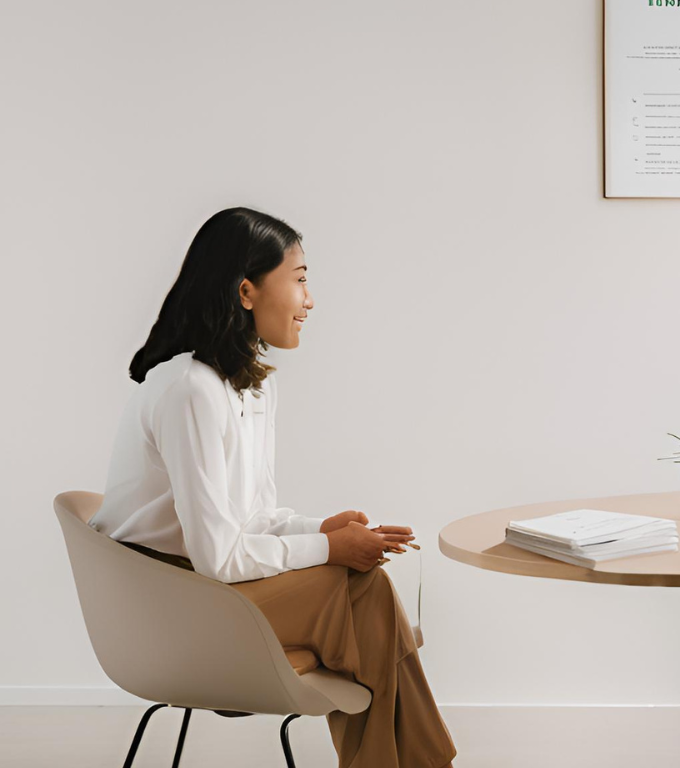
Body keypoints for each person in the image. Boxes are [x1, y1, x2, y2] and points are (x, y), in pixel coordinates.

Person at [90, 208, 457, 768]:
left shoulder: (248, 388)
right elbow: (219, 558)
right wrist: (332, 550)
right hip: (171, 607)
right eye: (302, 277)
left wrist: (321, 529)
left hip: (206, 589)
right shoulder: (190, 389)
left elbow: (253, 516)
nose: (311, 300)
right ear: (246, 290)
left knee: (368, 590)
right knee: (367, 594)